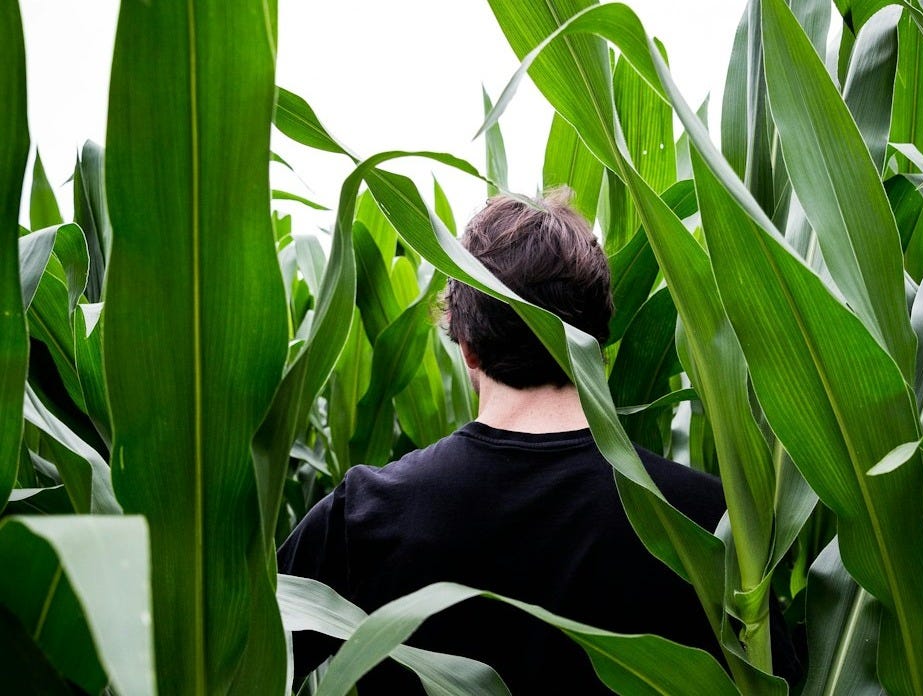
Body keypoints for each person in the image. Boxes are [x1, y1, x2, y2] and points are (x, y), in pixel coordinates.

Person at [278, 191, 790, 692]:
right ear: (595, 338)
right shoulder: (710, 523)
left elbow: (235, 664)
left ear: (469, 346)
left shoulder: (363, 516)